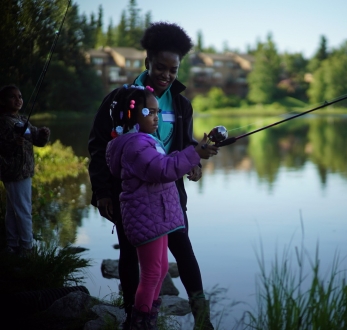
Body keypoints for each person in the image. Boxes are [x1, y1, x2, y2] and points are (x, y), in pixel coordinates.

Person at [88, 22, 218, 330]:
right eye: (161, 67)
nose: (167, 75)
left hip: (169, 194)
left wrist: (194, 164)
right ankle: (135, 316)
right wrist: (103, 192)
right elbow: (98, 146)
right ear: (147, 61)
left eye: (173, 70)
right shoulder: (120, 99)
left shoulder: (182, 104)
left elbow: (184, 145)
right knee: (130, 255)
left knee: (183, 251)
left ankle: (203, 319)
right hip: (130, 194)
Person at [105, 84, 213, 329]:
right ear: (131, 114)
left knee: (161, 268)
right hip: (149, 219)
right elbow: (162, 170)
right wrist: (194, 154)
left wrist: (193, 153)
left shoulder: (145, 140)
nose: (157, 117)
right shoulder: (134, 145)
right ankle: (141, 323)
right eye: (150, 112)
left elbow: (165, 162)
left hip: (157, 218)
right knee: (152, 273)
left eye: (157, 111)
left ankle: (148, 318)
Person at [0, 84, 50, 256]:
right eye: (12, 97)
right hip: (14, 172)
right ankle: (27, 248)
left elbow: (37, 139)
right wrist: (13, 143)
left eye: (20, 96)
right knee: (23, 210)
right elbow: (3, 146)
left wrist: (43, 134)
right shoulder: (3, 122)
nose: (18, 100)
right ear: (3, 101)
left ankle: (13, 245)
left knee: (14, 211)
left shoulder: (22, 120)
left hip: (24, 172)